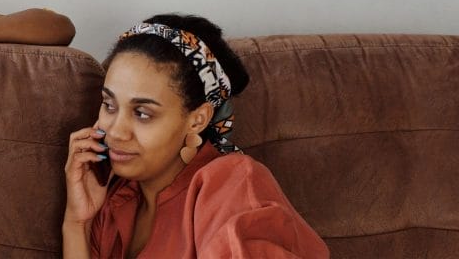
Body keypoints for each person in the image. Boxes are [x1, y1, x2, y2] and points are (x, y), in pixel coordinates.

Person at [62, 15, 329, 258]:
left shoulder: (232, 184)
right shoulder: (116, 199)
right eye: (109, 105)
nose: (116, 131)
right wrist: (77, 222)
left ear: (197, 120)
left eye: (142, 113)